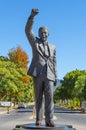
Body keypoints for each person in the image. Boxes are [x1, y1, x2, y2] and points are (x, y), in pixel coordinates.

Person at [25, 8, 57, 127]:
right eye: (41, 32)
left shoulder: (53, 47)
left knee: (50, 98)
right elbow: (28, 31)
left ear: (48, 34)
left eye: (45, 32)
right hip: (37, 73)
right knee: (39, 97)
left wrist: (56, 77)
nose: (43, 34)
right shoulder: (35, 42)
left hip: (49, 74)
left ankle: (49, 119)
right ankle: (39, 119)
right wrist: (31, 16)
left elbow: (54, 61)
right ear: (38, 34)